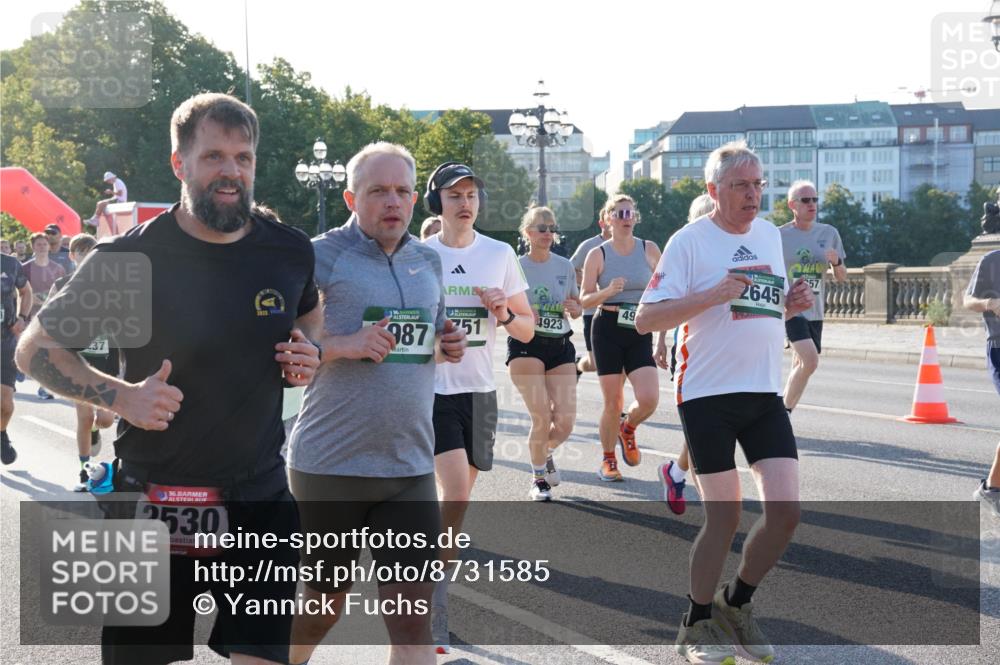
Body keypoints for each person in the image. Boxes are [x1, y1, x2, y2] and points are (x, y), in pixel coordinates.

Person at [17, 92, 322, 665]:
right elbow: (35, 350)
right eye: (213, 157)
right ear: (180, 164)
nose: (231, 171)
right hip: (151, 500)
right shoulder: (128, 260)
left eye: (243, 157)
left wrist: (311, 349)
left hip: (259, 499)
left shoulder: (287, 249)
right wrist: (122, 397)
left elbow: (308, 313)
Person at [286, 143, 467, 665]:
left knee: (412, 623)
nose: (393, 202)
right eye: (378, 191)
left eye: (403, 191)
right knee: (322, 608)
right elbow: (282, 350)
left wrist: (447, 341)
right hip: (331, 466)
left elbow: (430, 332)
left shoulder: (427, 258)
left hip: (409, 467)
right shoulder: (319, 256)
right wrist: (345, 344)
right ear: (351, 197)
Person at [636, 140, 813, 664]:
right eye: (740, 185)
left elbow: (764, 307)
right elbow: (646, 318)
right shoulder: (689, 241)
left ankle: (734, 603)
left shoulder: (768, 235)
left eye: (758, 185)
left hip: (763, 392)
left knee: (785, 514)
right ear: (713, 190)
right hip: (706, 394)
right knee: (725, 516)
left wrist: (790, 304)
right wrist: (711, 294)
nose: (753, 195)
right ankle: (695, 623)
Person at [423, 161, 534, 654]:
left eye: (471, 195)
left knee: (459, 501)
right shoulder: (419, 255)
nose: (465, 203)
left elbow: (527, 328)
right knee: (452, 491)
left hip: (480, 393)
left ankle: (430, 582)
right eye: (454, 195)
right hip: (432, 391)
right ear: (437, 203)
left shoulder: (500, 253)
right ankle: (433, 606)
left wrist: (503, 312)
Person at [580, 194, 660, 481]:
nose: (626, 218)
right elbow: (584, 299)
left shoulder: (649, 249)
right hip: (607, 328)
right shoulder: (598, 254)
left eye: (630, 213)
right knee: (613, 403)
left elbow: (666, 290)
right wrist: (607, 291)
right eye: (620, 213)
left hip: (639, 328)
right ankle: (608, 460)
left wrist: (663, 338)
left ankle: (628, 428)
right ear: (608, 220)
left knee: (649, 399)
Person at [507, 206, 582, 501]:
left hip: (560, 344)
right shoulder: (515, 266)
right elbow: (502, 308)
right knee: (541, 416)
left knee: (564, 422)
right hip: (526, 343)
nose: (548, 233)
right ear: (528, 233)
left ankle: (544, 452)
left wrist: (575, 307)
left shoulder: (565, 265)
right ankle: (539, 478)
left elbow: (576, 307)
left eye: (552, 228)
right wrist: (522, 312)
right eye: (541, 228)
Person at [655, 192, 715, 515]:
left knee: (709, 428)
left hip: (724, 353)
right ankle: (715, 515)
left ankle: (675, 473)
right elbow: (664, 303)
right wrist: (661, 341)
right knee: (705, 428)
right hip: (691, 350)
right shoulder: (684, 250)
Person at [47, 233, 117, 490]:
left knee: (105, 419)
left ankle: (96, 431)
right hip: (76, 360)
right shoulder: (62, 284)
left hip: (106, 358)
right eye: (81, 252)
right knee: (84, 417)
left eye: (91, 252)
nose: (86, 256)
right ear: (73, 256)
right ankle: (84, 473)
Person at [778, 180, 846, 413]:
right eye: (806, 200)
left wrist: (837, 262)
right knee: (810, 361)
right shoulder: (779, 235)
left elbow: (841, 277)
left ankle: (784, 414)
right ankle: (783, 412)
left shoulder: (829, 233)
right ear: (792, 205)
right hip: (791, 310)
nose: (812, 204)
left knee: (801, 365)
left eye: (815, 199)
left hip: (815, 310)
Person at [967, 194, 1000, 517]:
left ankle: (992, 488)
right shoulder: (991, 261)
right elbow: (968, 301)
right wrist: (990, 304)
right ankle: (991, 489)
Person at [21, 232, 66, 400]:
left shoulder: (58, 268)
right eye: (38, 244)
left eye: (44, 244)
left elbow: (64, 291)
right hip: (30, 315)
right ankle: (19, 369)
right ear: (32, 247)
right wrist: (32, 299)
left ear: (49, 247)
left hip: (50, 316)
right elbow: (19, 292)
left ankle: (44, 387)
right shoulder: (25, 268)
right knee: (33, 350)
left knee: (47, 351)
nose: (42, 247)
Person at [570, 210, 611, 375]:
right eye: (609, 219)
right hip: (592, 311)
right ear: (601, 224)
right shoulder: (590, 245)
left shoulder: (629, 245)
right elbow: (570, 270)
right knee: (595, 363)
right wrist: (589, 282)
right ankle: (576, 365)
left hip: (619, 311)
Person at [1, 252, 32, 464]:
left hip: (5, 341)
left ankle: (1, 434)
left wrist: (22, 318)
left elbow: (26, 292)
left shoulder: (10, 263)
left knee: (5, 403)